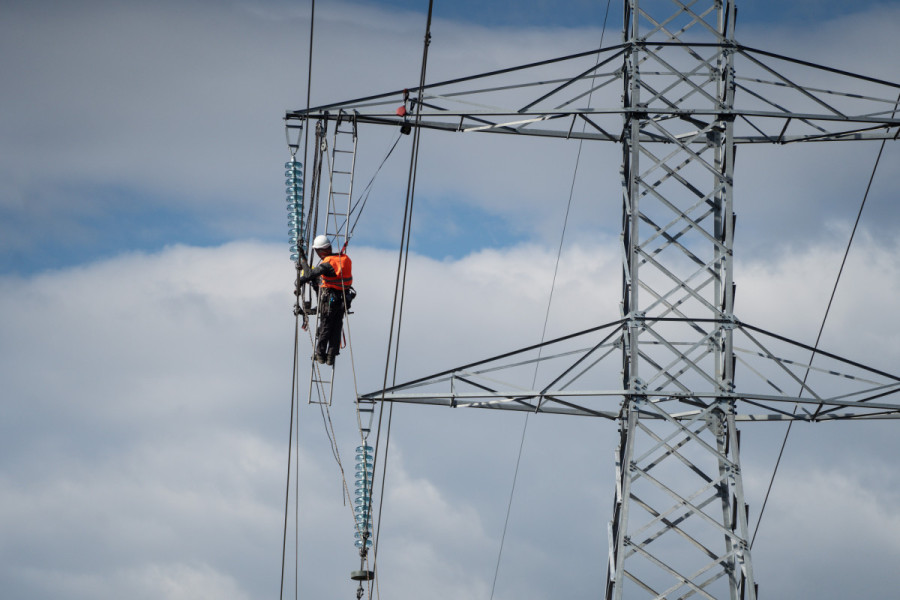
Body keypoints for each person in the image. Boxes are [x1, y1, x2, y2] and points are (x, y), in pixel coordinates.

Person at [297, 235, 353, 366]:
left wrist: (303, 259)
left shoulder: (329, 264)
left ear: (320, 251)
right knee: (336, 327)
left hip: (330, 300)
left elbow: (309, 274)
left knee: (326, 326)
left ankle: (320, 355)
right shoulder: (344, 259)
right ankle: (331, 356)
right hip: (343, 299)